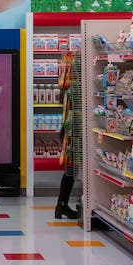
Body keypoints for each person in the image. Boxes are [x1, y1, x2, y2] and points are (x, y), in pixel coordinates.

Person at [53, 92, 84, 221]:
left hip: (71, 129)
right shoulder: (75, 93)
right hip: (75, 131)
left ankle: (62, 205)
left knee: (70, 171)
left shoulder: (70, 92)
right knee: (71, 171)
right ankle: (62, 205)